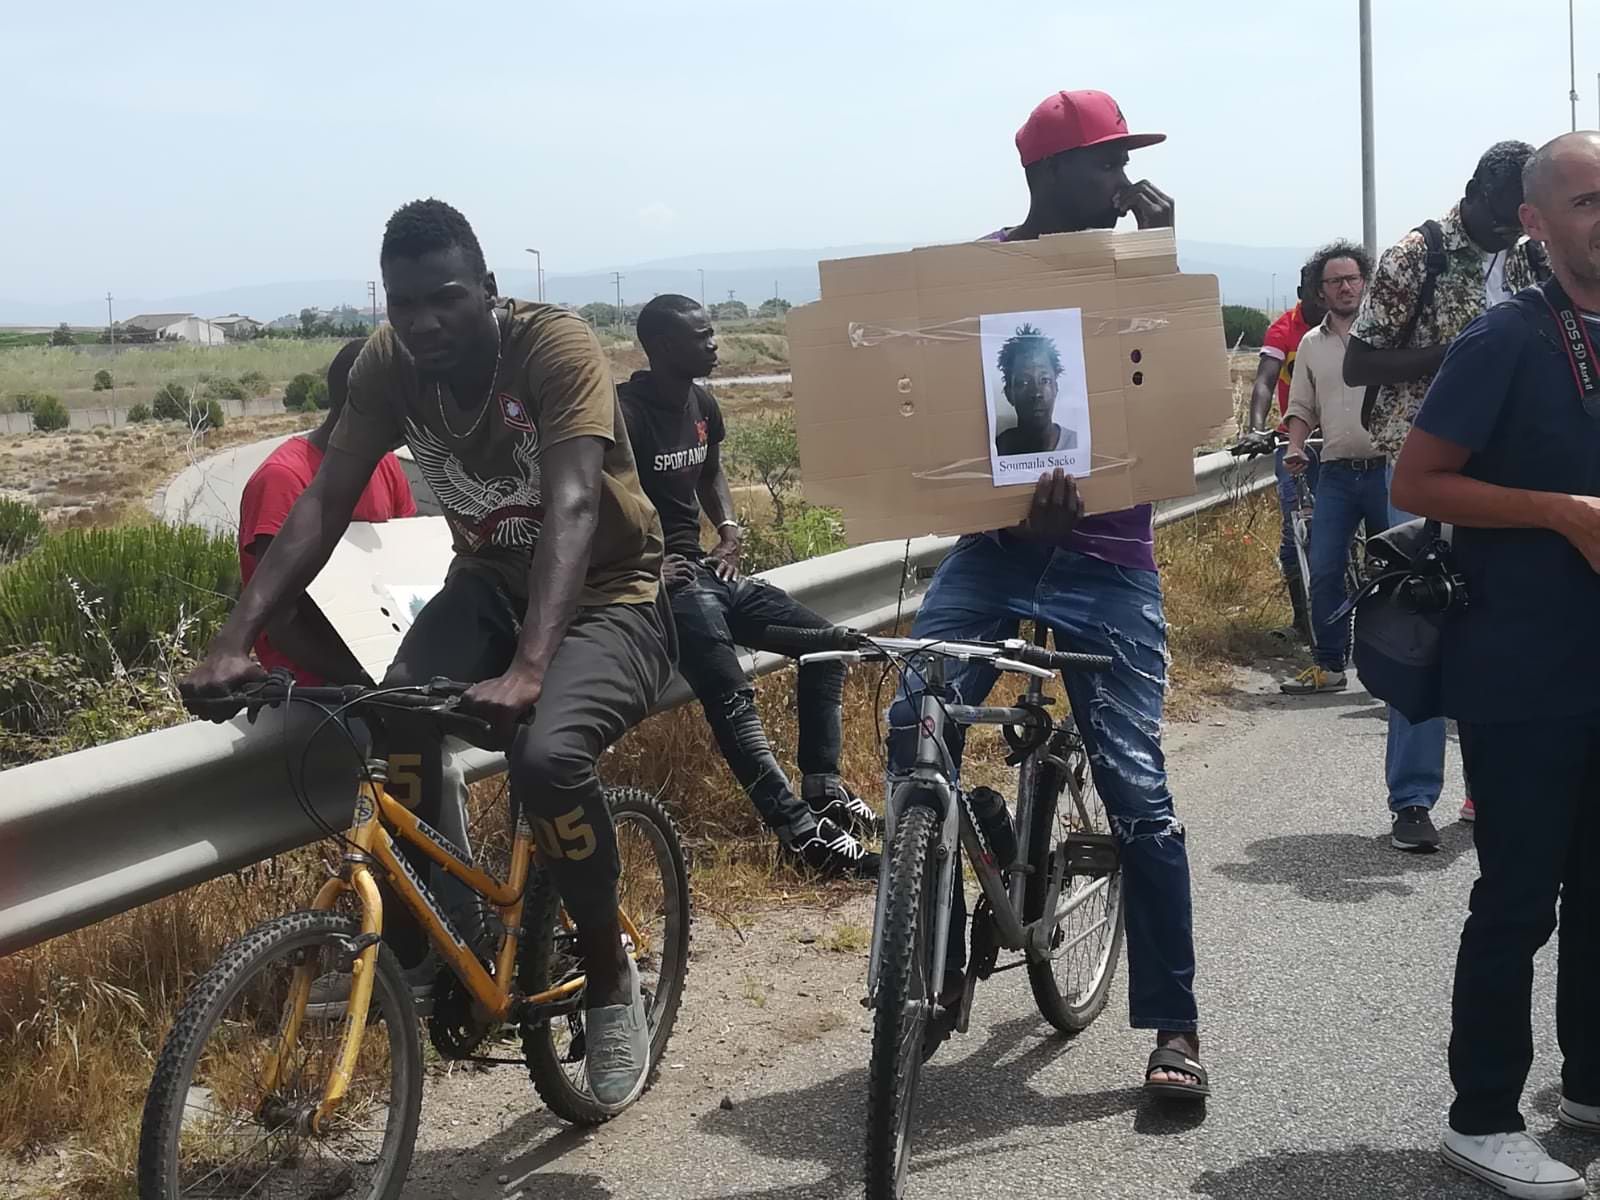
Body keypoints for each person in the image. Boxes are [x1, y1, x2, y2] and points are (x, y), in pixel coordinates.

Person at [181, 198, 674, 1106]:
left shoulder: (553, 349)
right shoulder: (389, 366)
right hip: (488, 582)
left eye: (443, 299)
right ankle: (454, 945)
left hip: (608, 591)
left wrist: (530, 669)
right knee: (399, 713)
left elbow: (570, 506)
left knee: (548, 758)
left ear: (489, 291)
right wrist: (233, 642)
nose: (421, 323)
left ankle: (609, 979)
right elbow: (321, 505)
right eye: (401, 306)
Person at [889, 88, 1206, 1099]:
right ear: (1048, 175)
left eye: (1125, 164)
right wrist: (1002, 507)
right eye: (1106, 164)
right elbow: (935, 422)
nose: (1123, 184)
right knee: (915, 725)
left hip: (1108, 563)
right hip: (996, 550)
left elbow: (1179, 411)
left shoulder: (1137, 265)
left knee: (1137, 793)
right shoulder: (978, 277)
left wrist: (1158, 265)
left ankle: (1175, 1027)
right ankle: (935, 936)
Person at [1390, 130, 1600, 1200]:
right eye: (1583, 201)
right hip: (1523, 667)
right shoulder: (1506, 337)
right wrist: (1558, 515)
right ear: (1535, 221)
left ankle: (1590, 1088)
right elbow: (1417, 480)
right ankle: (1479, 1115)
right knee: (1519, 898)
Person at [617, 295, 880, 878]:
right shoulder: (624, 416)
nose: (714, 345)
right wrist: (647, 566)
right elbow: (592, 503)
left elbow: (710, 469)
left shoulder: (702, 401)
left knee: (829, 644)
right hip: (667, 589)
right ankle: (800, 833)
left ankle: (823, 789)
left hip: (712, 573)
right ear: (661, 348)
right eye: (702, 337)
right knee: (730, 691)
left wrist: (729, 529)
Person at [1344, 140, 1542, 829]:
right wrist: (1456, 354)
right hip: (1424, 467)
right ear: (1475, 191)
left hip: (1507, 467)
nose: (1514, 226)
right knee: (1422, 628)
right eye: (1505, 213)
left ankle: (1486, 787)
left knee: (1500, 631)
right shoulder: (1415, 255)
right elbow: (1359, 365)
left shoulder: (1523, 252)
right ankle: (1412, 800)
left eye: (1525, 214)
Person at [1274, 242, 1444, 850]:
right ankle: (1330, 662)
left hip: (1396, 471)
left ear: (1367, 284)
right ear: (1321, 291)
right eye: (1335, 281)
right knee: (1325, 571)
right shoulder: (1312, 345)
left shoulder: (1399, 334)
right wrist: (1296, 446)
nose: (1346, 288)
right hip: (1340, 470)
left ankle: (1466, 788)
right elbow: (1300, 406)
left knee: (1412, 599)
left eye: (1353, 278)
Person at [237, 338, 416, 686]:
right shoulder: (283, 479)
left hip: (382, 660)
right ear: (359, 406)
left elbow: (404, 570)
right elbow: (281, 623)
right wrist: (368, 683)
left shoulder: (386, 464)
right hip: (313, 685)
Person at [1244, 264, 1326, 639]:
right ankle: (1301, 621)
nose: (1323, 295)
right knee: (1294, 532)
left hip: (1342, 438)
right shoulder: (1283, 329)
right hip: (1294, 440)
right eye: (1315, 288)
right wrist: (1256, 428)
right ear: (1301, 290)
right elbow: (1264, 381)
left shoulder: (1348, 323)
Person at [993, 324, 1077, 455]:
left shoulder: (1076, 445)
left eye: (1045, 380)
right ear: (1009, 394)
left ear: (1056, 388)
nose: (1037, 393)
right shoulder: (996, 449)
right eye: (1024, 382)